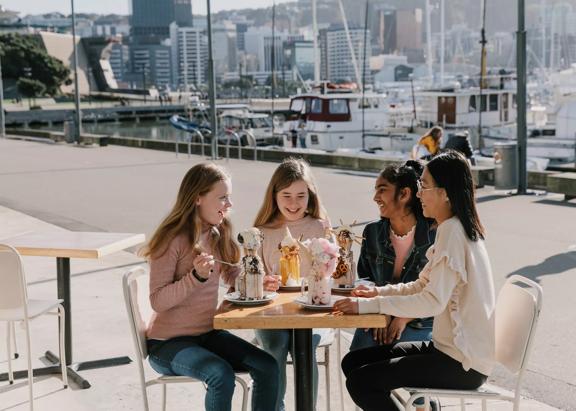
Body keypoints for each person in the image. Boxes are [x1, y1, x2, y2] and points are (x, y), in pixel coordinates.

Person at [334, 150, 496, 411]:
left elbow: (431, 301)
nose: (419, 192)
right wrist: (376, 295)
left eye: (425, 185)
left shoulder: (453, 232)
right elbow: (421, 285)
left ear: (444, 193)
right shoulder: (450, 228)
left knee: (361, 382)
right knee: (353, 362)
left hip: (462, 363)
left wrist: (368, 307)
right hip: (447, 351)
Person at [143, 163, 280, 411]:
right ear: (198, 198)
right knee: (220, 374)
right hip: (167, 344)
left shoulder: (217, 232)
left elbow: (231, 274)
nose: (229, 205)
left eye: (229, 198)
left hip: (206, 334)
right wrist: (195, 276)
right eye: (223, 198)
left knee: (267, 366)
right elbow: (157, 300)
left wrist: (256, 281)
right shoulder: (171, 239)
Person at [253, 157, 331, 411]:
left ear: (310, 196)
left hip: (310, 310)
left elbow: (330, 272)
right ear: (274, 195)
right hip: (272, 311)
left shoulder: (319, 227)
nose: (294, 203)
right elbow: (255, 277)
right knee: (275, 346)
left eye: (300, 195)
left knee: (305, 347)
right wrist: (263, 281)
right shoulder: (262, 230)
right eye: (286, 195)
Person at [350, 160, 435, 351]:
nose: (375, 197)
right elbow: (365, 279)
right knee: (357, 358)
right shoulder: (371, 232)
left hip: (420, 319)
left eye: (382, 189)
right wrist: (382, 309)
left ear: (404, 194)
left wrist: (402, 315)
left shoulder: (435, 235)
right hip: (379, 313)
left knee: (403, 362)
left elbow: (437, 293)